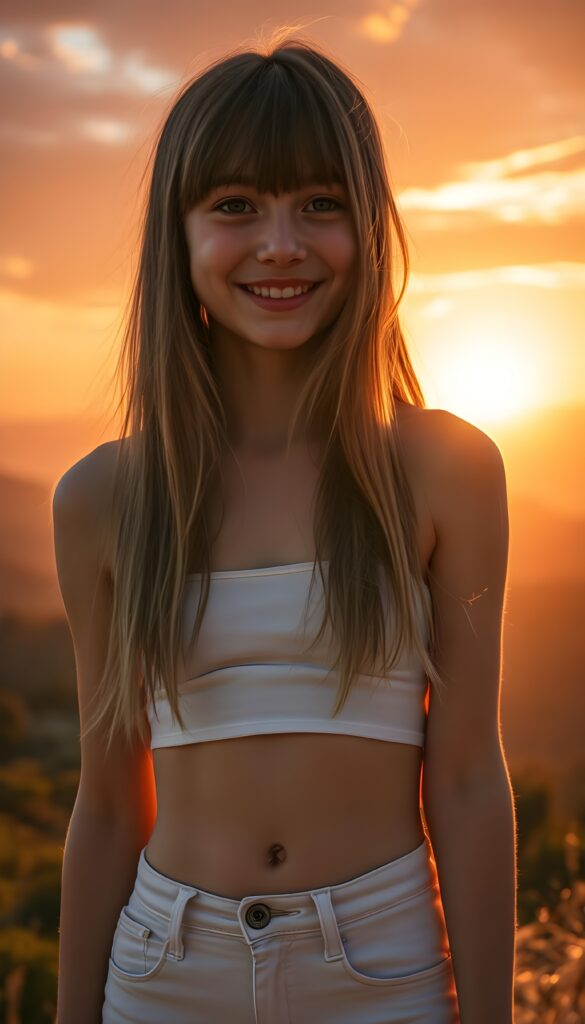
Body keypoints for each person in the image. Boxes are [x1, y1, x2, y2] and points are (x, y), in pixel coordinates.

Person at [52, 30, 517, 1024]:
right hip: (164, 974)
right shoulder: (104, 497)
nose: (279, 244)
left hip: (382, 973)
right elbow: (110, 802)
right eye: (235, 205)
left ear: (370, 227)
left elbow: (469, 777)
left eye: (320, 203)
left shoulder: (444, 468)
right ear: (178, 235)